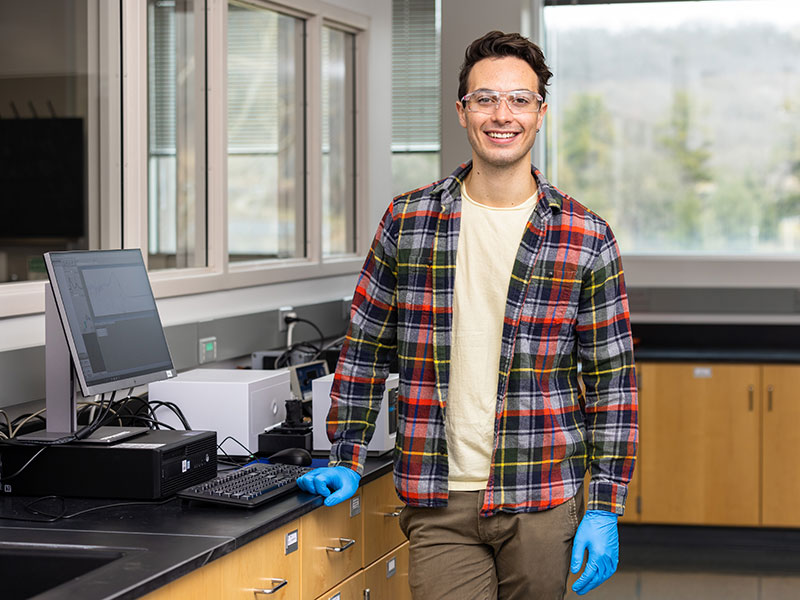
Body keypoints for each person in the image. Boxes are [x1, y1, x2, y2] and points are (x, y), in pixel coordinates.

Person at [297, 30, 638, 600]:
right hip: (439, 497)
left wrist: (604, 506)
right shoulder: (407, 222)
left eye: (519, 99)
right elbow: (364, 350)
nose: (502, 115)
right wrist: (348, 454)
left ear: (540, 113)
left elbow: (613, 387)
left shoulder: (585, 236)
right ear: (462, 111)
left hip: (543, 495)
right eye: (485, 99)